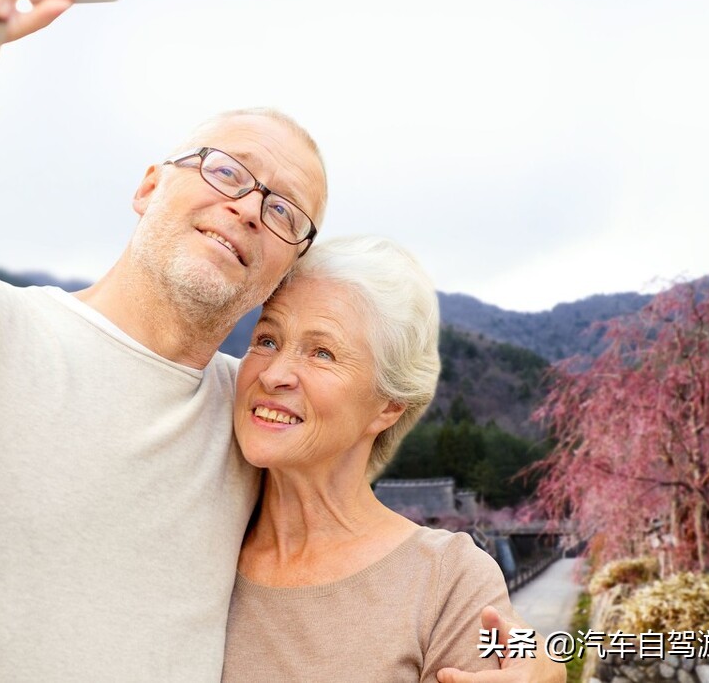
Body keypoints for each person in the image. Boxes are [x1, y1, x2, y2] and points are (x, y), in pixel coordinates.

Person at [0, 0, 561, 682]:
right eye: (227, 170)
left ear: (280, 272)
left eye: (283, 211)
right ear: (148, 185)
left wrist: (547, 664)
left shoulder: (245, 426)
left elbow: (416, 583)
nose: (246, 206)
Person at [223, 235, 522, 682]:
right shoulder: (200, 543)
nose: (274, 373)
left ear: (387, 406)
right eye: (266, 339)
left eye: (322, 352)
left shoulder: (446, 581)